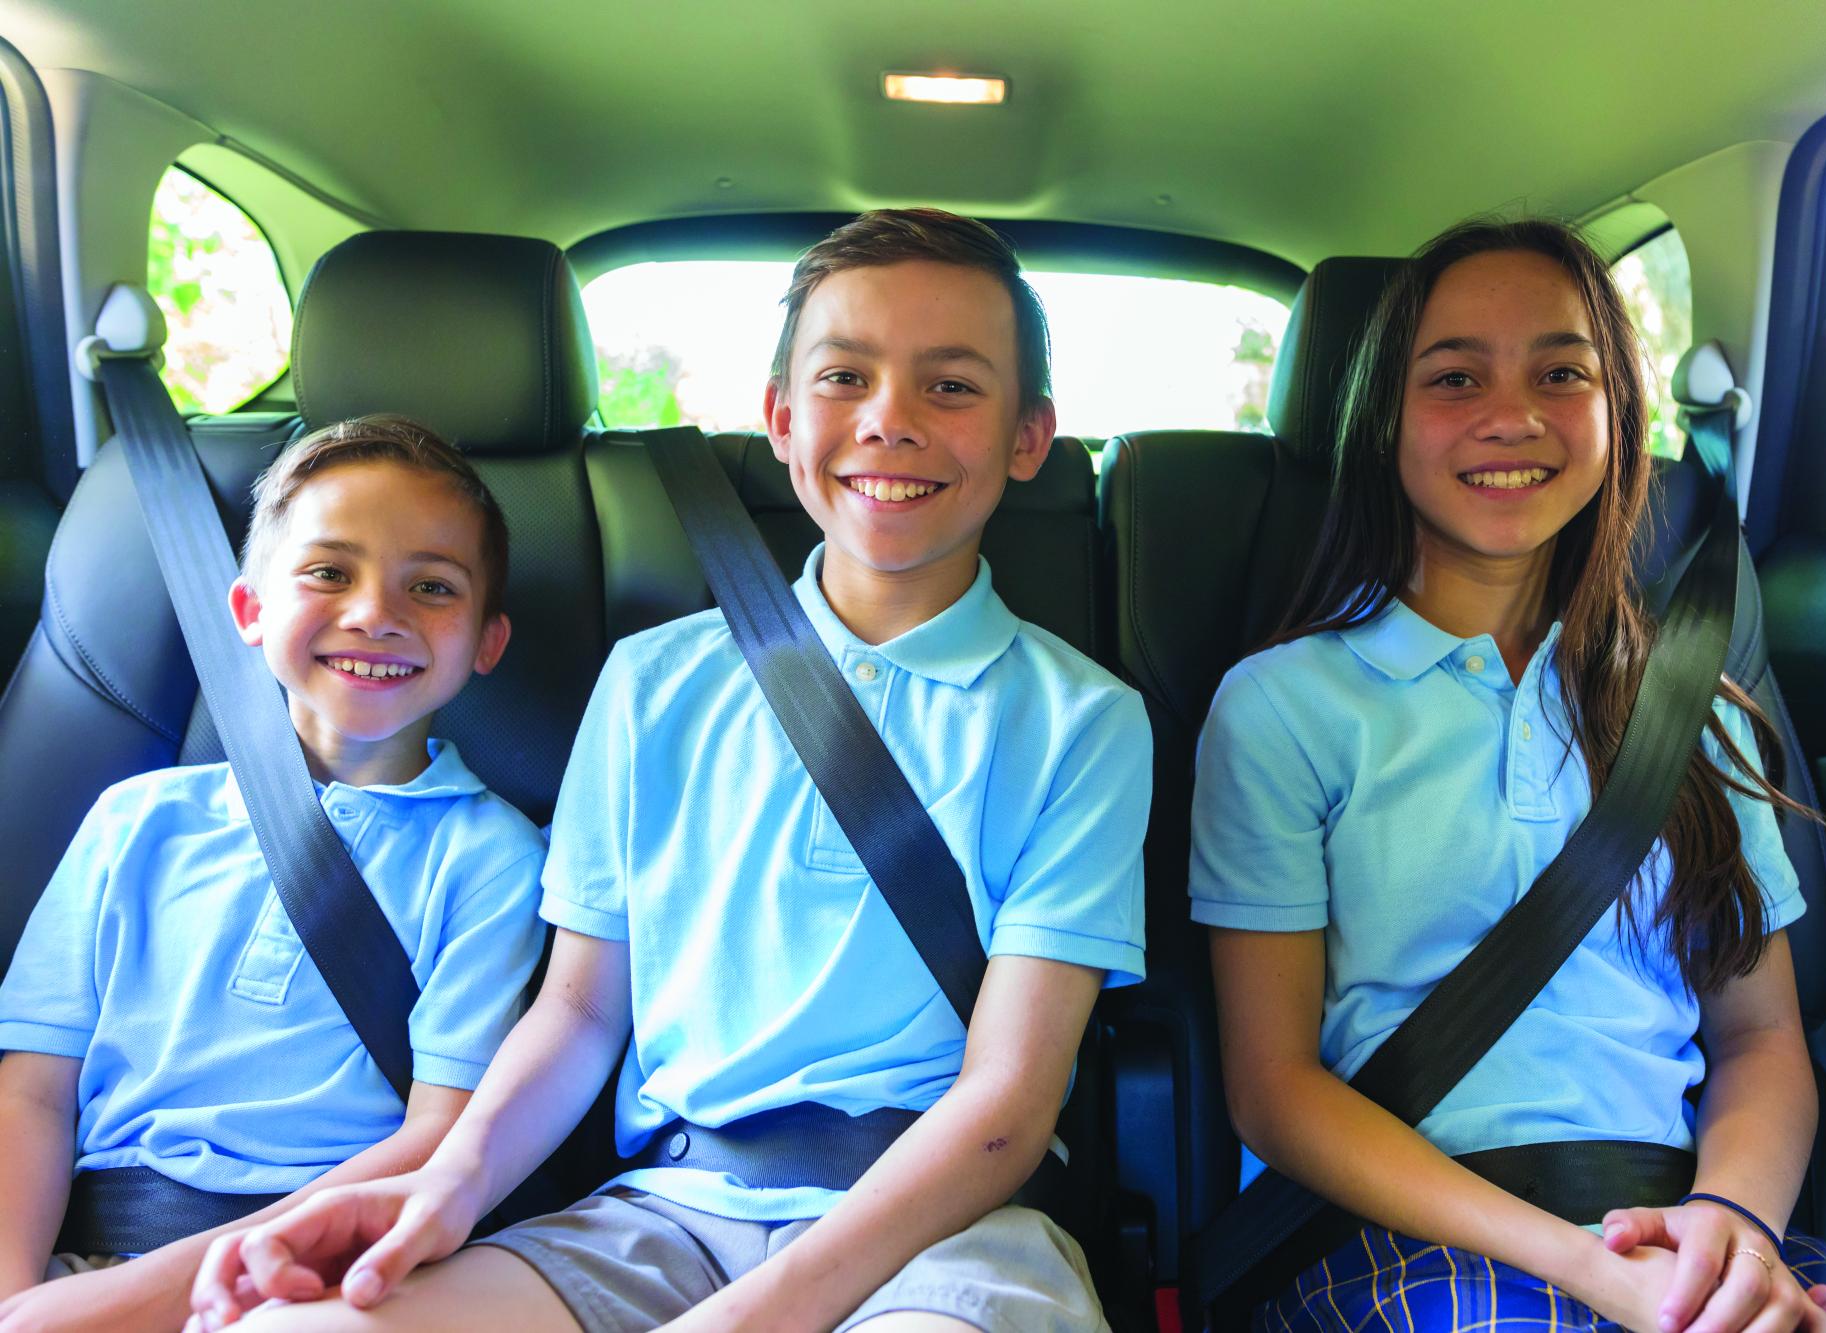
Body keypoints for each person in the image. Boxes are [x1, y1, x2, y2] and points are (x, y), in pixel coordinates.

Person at [191, 208, 1151, 1333]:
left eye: (950, 387)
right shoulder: (655, 682)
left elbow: (1008, 1100)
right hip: (664, 1217)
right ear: (784, 419)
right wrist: (436, 1191)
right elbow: (580, 1012)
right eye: (845, 377)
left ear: (1028, 438)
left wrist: (756, 1316)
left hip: (942, 1232)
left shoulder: (1081, 720)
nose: (888, 421)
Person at [1189, 219, 1826, 1332]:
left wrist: (1728, 1228)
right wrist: (1595, 1273)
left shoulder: (1684, 709)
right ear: (1381, 418)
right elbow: (1272, 1089)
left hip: (1678, 1222)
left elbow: (1760, 1036)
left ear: (1615, 414)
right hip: (1404, 1234)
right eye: (1454, 376)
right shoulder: (1283, 706)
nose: (1513, 415)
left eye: (1560, 373)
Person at [0, 416, 547, 1333]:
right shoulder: (135, 822)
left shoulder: (494, 857)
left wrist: (136, 1300)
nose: (377, 612)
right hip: (68, 1259)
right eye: (330, 572)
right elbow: (32, 1090)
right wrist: (17, 1297)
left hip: (314, 1272)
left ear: (487, 641)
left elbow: (437, 1135)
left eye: (431, 586)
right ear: (250, 609)